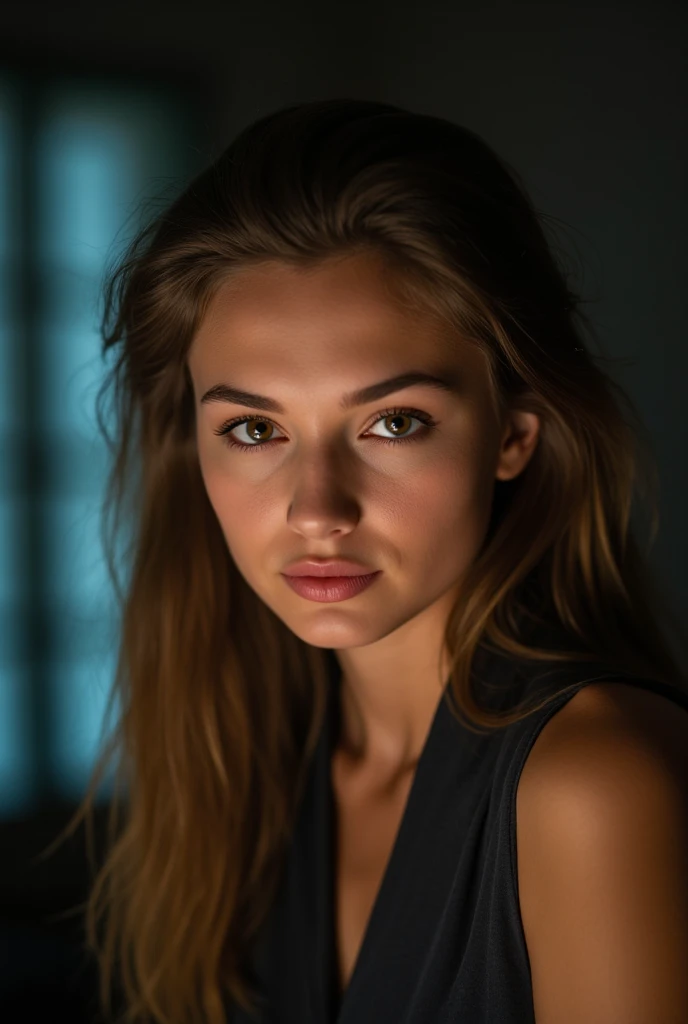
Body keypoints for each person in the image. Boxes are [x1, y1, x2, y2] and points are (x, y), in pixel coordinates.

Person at [47, 98, 688, 1023]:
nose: (318, 510)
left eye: (395, 422)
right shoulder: (259, 770)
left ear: (512, 436)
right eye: (255, 428)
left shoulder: (593, 791)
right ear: (191, 445)